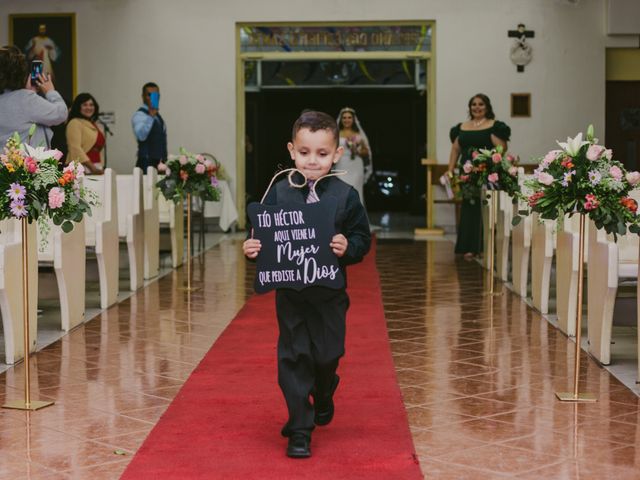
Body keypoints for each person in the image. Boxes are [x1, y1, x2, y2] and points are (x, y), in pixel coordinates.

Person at [243, 111, 371, 459]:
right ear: (291, 150)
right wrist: (252, 249)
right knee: (294, 355)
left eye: (322, 154)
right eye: (304, 152)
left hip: (329, 293)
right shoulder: (278, 192)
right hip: (291, 294)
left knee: (328, 354)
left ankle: (325, 389)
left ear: (337, 154)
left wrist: (350, 247)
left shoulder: (345, 195)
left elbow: (362, 237)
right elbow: (261, 234)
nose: (312, 161)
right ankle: (299, 429)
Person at [447, 93, 511, 260]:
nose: (477, 107)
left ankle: (484, 247)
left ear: (487, 107)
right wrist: (450, 169)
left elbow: (502, 149)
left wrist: (491, 158)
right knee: (468, 208)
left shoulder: (494, 126)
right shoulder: (462, 127)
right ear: (470, 108)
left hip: (487, 173)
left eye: (481, 104)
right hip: (467, 174)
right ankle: (468, 247)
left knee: (485, 209)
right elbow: (455, 150)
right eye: (473, 104)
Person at [0, 45, 68, 147]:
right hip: (24, 161)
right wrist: (50, 91)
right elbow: (60, 114)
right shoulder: (25, 99)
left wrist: (29, 92)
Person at [335, 107, 372, 204]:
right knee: (341, 190)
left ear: (353, 119)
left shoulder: (358, 133)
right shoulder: (336, 133)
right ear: (341, 119)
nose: (347, 120)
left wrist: (356, 151)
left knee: (356, 190)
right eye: (344, 118)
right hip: (341, 164)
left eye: (349, 117)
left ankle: (356, 216)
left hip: (356, 165)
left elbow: (366, 151)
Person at [131, 82, 167, 172]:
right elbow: (141, 136)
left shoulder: (157, 116)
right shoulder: (139, 115)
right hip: (146, 162)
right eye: (149, 95)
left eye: (155, 95)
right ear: (143, 96)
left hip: (159, 162)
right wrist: (150, 117)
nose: (152, 98)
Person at [65, 93, 105, 174]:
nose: (89, 107)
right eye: (85, 105)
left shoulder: (94, 124)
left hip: (96, 165)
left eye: (91, 105)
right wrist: (92, 168)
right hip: (82, 167)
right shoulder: (74, 122)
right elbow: (75, 148)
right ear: (78, 106)